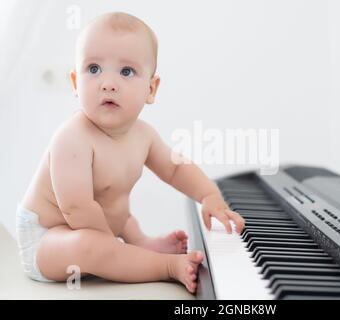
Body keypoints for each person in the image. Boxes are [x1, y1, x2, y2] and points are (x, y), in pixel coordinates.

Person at [16, 12, 245, 294]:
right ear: (76, 83)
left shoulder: (143, 135)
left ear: (151, 88)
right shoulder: (72, 137)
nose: (108, 83)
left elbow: (175, 168)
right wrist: (114, 252)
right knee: (90, 244)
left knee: (119, 210)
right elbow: (75, 208)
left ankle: (142, 245)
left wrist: (209, 195)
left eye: (126, 72)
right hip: (48, 238)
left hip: (103, 225)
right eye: (94, 68)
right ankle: (165, 265)